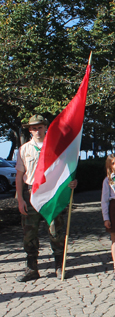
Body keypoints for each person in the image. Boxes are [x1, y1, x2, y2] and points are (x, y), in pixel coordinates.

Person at [15, 115, 77, 281]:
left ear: (45, 128)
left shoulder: (55, 147)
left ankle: (59, 266)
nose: (37, 131)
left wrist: (71, 182)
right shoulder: (24, 149)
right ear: (30, 130)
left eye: (40, 127)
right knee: (29, 234)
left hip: (51, 195)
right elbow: (20, 175)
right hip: (31, 195)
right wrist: (20, 199)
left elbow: (64, 170)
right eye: (34, 128)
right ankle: (32, 268)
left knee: (55, 231)